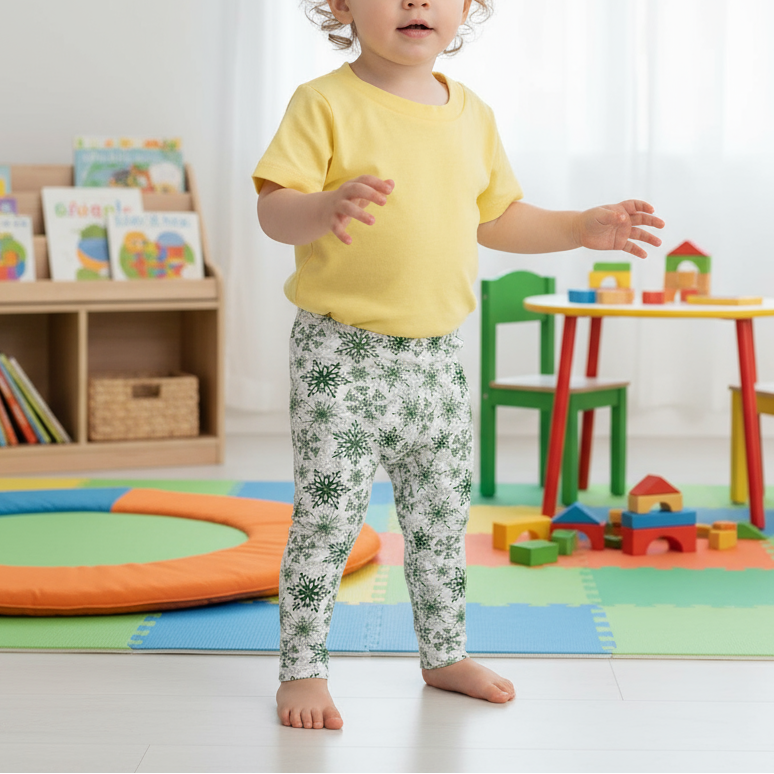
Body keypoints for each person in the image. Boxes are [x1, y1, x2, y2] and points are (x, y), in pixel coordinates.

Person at [254, 0, 664, 731]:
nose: (417, 3)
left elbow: (496, 216)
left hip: (439, 358)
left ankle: (444, 654)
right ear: (342, 5)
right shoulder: (323, 102)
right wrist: (321, 209)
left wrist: (576, 227)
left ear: (468, 7)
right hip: (340, 355)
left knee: (441, 517)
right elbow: (274, 207)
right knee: (329, 519)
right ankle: (304, 671)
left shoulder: (471, 114)